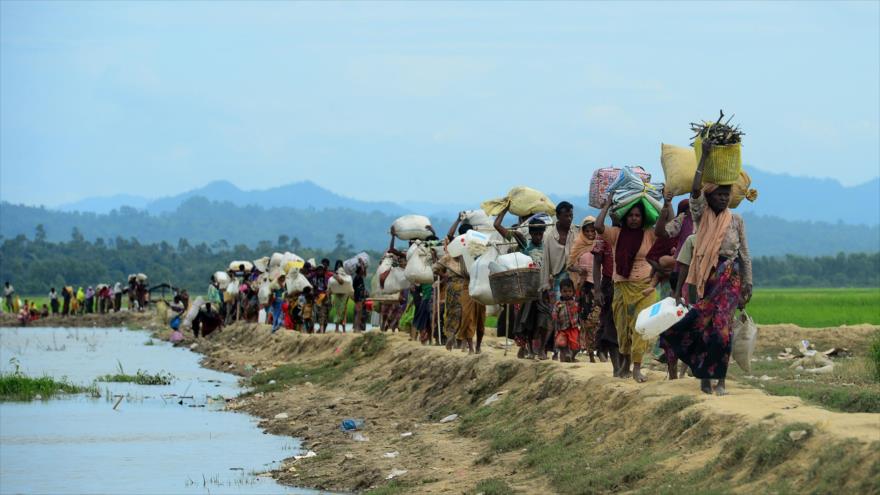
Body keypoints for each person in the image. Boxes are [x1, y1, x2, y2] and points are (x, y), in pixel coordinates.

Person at [659, 141, 753, 396]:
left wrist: (748, 284)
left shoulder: (736, 220)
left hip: (730, 277)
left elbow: (744, 254)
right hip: (707, 277)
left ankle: (720, 380)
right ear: (710, 197)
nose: (723, 198)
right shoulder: (701, 215)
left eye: (726, 194)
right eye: (718, 194)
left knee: (723, 330)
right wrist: (705, 157)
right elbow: (696, 190)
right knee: (703, 327)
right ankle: (703, 376)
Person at [595, 198, 658, 383]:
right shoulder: (616, 234)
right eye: (630, 215)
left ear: (643, 217)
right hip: (621, 286)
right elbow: (598, 226)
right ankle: (624, 363)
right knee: (622, 329)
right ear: (624, 217)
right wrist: (606, 205)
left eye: (638, 215)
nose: (634, 219)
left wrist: (667, 203)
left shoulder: (649, 234)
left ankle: (637, 367)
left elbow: (667, 225)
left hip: (644, 288)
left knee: (640, 327)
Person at [493, 206, 548, 359]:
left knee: (543, 320)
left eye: (540, 233)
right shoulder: (524, 244)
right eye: (535, 233)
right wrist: (504, 210)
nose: (538, 236)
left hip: (542, 289)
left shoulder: (547, 246)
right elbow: (497, 226)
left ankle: (542, 349)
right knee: (526, 320)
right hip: (526, 289)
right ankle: (529, 348)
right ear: (530, 233)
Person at [442, 214, 486, 354]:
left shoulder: (480, 243)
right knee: (467, 315)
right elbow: (450, 236)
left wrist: (458, 220)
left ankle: (477, 346)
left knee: (480, 317)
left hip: (480, 281)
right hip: (468, 283)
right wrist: (458, 220)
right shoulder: (458, 246)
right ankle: (471, 347)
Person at [568, 216, 600, 362]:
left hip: (598, 287)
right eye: (587, 231)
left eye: (592, 230)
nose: (590, 234)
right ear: (582, 231)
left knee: (597, 320)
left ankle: (596, 350)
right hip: (584, 288)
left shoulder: (600, 243)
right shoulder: (578, 245)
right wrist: (579, 270)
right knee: (585, 321)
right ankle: (588, 351)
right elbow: (569, 264)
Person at [551, 279, 580, 362]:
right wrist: (555, 319)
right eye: (565, 291)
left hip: (573, 328)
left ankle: (571, 356)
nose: (567, 293)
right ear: (560, 292)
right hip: (562, 328)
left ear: (573, 291)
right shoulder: (558, 304)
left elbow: (579, 311)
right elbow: (554, 313)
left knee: (576, 346)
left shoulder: (575, 302)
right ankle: (565, 355)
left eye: (570, 291)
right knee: (561, 343)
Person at [309, 264, 332, 333]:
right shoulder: (313, 278)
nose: (320, 272)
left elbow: (329, 288)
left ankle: (321, 331)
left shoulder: (327, 278)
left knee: (324, 315)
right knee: (314, 315)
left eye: (321, 270)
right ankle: (314, 330)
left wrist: (327, 294)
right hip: (316, 298)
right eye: (318, 270)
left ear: (323, 271)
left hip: (325, 299)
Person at [352, 263, 367, 331]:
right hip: (358, 297)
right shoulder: (357, 277)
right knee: (358, 313)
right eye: (361, 270)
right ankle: (356, 328)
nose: (363, 271)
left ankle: (357, 327)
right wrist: (362, 264)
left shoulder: (359, 277)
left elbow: (364, 273)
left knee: (359, 313)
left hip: (360, 297)